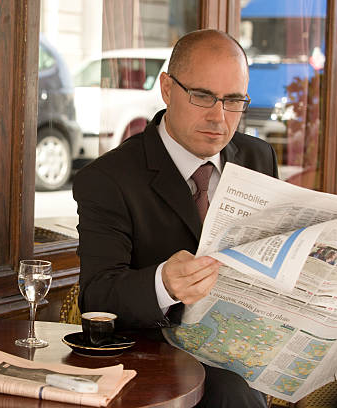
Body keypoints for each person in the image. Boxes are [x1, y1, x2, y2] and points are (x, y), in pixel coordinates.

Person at [73, 29, 278, 408]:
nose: (219, 117)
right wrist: (163, 283)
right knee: (233, 392)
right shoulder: (107, 179)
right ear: (167, 89)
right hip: (159, 352)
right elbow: (96, 295)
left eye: (233, 100)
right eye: (202, 96)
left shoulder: (258, 157)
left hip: (245, 340)